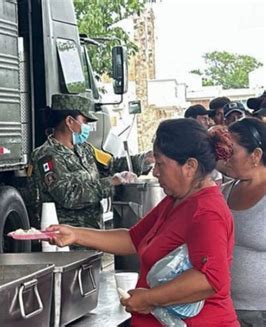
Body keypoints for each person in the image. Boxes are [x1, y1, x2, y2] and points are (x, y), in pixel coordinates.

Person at [48, 118, 239, 326]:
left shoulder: (207, 212)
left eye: (160, 163)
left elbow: (209, 280)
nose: (156, 172)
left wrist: (149, 298)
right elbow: (132, 239)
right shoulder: (175, 200)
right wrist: (75, 234)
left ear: (190, 166)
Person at [30, 94, 152, 229]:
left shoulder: (85, 149)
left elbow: (111, 165)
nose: (87, 127)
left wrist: (146, 159)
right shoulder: (46, 155)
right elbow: (68, 196)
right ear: (70, 121)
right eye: (85, 122)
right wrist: (110, 183)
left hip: (93, 232)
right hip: (66, 237)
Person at [221, 118, 266, 327]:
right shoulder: (225, 191)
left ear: (256, 155)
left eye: (232, 151)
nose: (225, 157)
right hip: (225, 306)